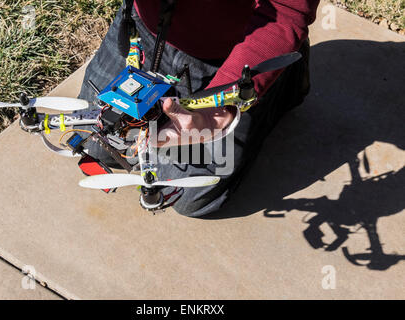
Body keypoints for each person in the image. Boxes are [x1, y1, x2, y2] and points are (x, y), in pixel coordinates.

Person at [77, 0, 320, 217]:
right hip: (144, 27)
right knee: (95, 138)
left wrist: (222, 108)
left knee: (182, 191)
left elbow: (287, 9)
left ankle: (279, 77)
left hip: (230, 49)